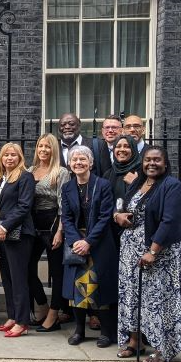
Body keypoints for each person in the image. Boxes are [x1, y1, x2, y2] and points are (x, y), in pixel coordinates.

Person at [115, 146, 181, 362]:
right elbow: (127, 207)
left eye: (157, 160)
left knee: (160, 299)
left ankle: (164, 348)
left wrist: (152, 251)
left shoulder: (172, 186)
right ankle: (134, 341)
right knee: (134, 295)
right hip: (131, 252)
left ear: (165, 163)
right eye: (148, 159)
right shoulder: (139, 183)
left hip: (161, 252)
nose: (152, 163)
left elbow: (170, 221)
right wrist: (118, 216)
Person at [60, 145, 118, 347]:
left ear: (91, 163)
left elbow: (105, 217)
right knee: (77, 290)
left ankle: (106, 332)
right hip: (76, 243)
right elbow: (66, 217)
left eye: (83, 159)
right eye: (75, 160)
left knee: (99, 287)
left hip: (98, 243)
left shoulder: (102, 185)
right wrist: (76, 240)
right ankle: (79, 330)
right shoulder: (67, 187)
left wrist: (88, 242)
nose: (78, 163)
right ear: (69, 164)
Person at [0, 143, 35, 338]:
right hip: (3, 233)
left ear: (20, 157)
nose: (9, 158)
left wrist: (6, 225)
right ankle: (12, 316)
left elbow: (24, 206)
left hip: (20, 234)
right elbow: (3, 202)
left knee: (18, 278)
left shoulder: (25, 177)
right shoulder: (2, 179)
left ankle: (23, 321)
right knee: (6, 277)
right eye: (6, 155)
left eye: (14, 155)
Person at [27, 133, 70, 332]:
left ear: (54, 149)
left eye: (48, 146)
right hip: (31, 224)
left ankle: (54, 315)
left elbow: (64, 205)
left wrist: (60, 231)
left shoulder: (61, 172)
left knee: (56, 271)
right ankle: (42, 306)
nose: (43, 150)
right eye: (40, 146)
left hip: (52, 223)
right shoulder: (29, 170)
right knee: (27, 267)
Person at [103, 135, 142, 203]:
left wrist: (136, 184)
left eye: (127, 146)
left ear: (134, 149)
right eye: (118, 146)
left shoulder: (142, 172)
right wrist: (115, 213)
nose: (122, 149)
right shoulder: (108, 174)